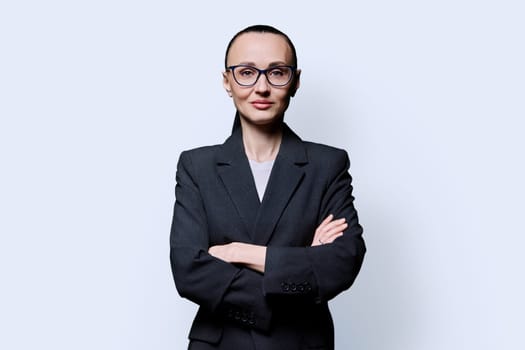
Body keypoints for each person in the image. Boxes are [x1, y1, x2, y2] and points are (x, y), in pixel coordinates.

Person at [170, 24, 366, 350]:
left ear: (295, 82)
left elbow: (341, 262)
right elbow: (188, 269)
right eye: (246, 72)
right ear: (227, 82)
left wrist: (236, 253)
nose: (261, 87)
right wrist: (302, 264)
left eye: (276, 72)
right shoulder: (196, 166)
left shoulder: (327, 165)